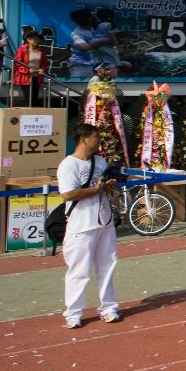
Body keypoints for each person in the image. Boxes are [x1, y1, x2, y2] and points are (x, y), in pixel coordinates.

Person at [57, 123, 120, 328]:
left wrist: (108, 187)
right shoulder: (68, 165)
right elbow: (68, 194)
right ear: (84, 139)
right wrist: (96, 189)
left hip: (104, 221)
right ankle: (74, 313)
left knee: (107, 266)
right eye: (95, 138)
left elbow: (103, 189)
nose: (99, 141)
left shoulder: (100, 161)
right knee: (79, 270)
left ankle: (109, 307)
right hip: (80, 224)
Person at [13, 31, 45, 107]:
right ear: (28, 40)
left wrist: (42, 69)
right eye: (34, 39)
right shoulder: (22, 49)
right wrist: (27, 70)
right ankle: (29, 114)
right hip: (26, 77)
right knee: (29, 98)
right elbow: (17, 62)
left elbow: (44, 63)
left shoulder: (41, 51)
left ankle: (33, 114)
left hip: (37, 77)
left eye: (38, 39)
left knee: (34, 98)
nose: (37, 40)